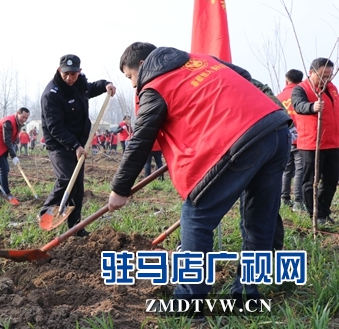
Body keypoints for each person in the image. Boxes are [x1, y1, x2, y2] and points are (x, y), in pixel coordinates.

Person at [108, 42, 291, 312]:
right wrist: (274, 111)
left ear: (143, 66)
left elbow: (140, 141)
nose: (134, 86)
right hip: (275, 129)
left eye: (130, 77)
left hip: (239, 140)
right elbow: (248, 78)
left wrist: (119, 189)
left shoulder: (155, 85)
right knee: (259, 219)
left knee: (196, 215)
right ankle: (246, 295)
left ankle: (189, 300)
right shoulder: (202, 60)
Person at [40, 54, 116, 236]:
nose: (69, 78)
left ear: (79, 72)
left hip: (79, 143)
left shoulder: (79, 83)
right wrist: (74, 145)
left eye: (73, 74)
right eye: (66, 73)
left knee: (78, 186)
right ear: (59, 71)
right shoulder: (51, 94)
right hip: (59, 144)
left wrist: (106, 84)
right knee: (67, 179)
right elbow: (55, 127)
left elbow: (91, 88)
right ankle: (46, 212)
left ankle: (76, 227)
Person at [292, 58, 339, 225]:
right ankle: (315, 214)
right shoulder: (300, 89)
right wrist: (312, 107)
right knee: (310, 182)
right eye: (323, 75)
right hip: (312, 144)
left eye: (330, 75)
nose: (327, 79)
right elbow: (299, 105)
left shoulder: (332, 88)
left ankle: (324, 212)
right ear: (311, 72)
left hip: (333, 143)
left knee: (332, 180)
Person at [0, 107, 30, 201]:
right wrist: (14, 156)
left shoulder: (18, 123)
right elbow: (7, 140)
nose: (24, 119)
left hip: (2, 146)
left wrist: (14, 150)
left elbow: (13, 137)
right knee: (4, 169)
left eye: (26, 118)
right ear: (18, 113)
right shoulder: (8, 122)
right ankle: (6, 193)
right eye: (23, 117)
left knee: (4, 169)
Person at [276, 69, 305, 210]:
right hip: (302, 138)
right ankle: (299, 201)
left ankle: (284, 198)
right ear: (301, 81)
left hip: (285, 137)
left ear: (286, 80)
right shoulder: (304, 95)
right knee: (300, 170)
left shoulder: (278, 97)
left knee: (286, 169)